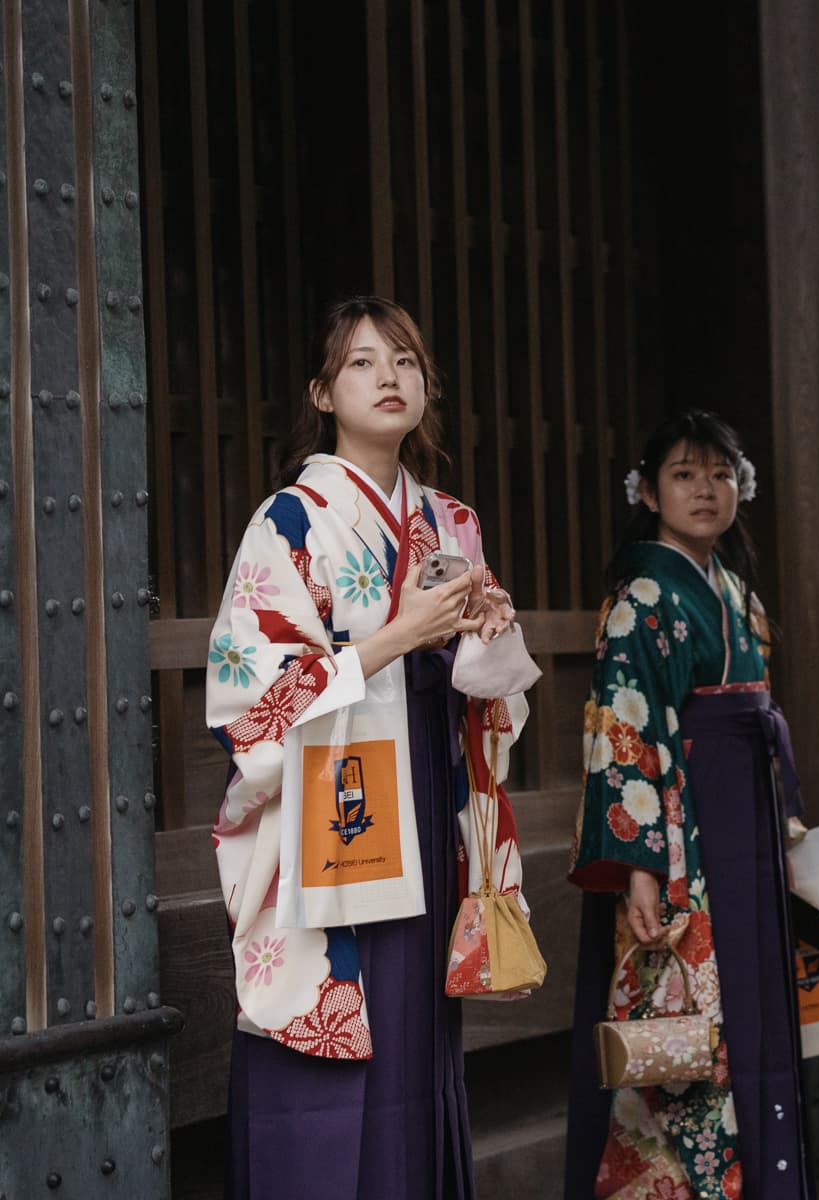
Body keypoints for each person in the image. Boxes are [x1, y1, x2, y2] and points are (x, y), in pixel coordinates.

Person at [207, 296, 530, 1199]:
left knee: (417, 1039)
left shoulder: (450, 521)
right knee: (335, 1035)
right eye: (361, 363)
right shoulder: (291, 521)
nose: (389, 378)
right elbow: (249, 701)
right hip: (333, 808)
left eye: (405, 362)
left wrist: (485, 633)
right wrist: (393, 635)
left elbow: (495, 691)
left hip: (427, 786)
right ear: (320, 392)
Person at [567, 410, 814, 1200]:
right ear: (647, 491)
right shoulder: (643, 599)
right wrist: (639, 869)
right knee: (691, 1021)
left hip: (746, 822)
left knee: (756, 1010)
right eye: (682, 474)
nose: (704, 489)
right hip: (685, 837)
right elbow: (623, 732)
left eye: (719, 473)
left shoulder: (734, 592)